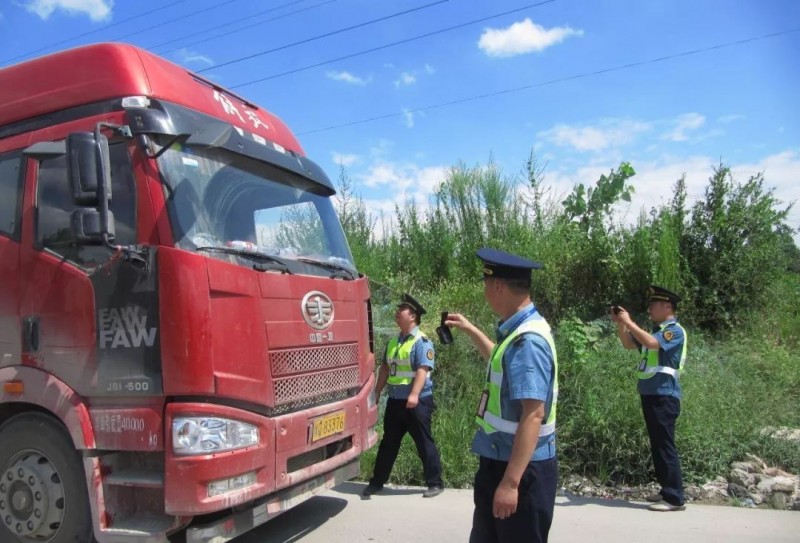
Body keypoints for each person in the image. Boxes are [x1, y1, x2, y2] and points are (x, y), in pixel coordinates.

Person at [445, 248, 558, 543]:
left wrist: (510, 483)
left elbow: (533, 413)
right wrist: (470, 329)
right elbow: (497, 358)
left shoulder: (527, 341)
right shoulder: (516, 332)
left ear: (497, 286)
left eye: (486, 286)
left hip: (519, 469)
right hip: (502, 459)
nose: (485, 292)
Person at [611, 285, 687, 512]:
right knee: (657, 445)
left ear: (668, 306)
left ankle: (674, 498)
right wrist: (622, 324)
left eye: (654, 304)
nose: (650, 308)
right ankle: (667, 491)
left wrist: (631, 322)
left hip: (664, 396)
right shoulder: (654, 332)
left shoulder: (673, 331)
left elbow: (652, 344)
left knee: (664, 446)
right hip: (651, 394)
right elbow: (627, 344)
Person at [362, 294, 445, 499]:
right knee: (388, 443)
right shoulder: (393, 342)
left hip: (416, 402)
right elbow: (384, 368)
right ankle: (376, 482)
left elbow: (422, 370)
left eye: (403, 309)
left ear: (413, 316)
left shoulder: (421, 341)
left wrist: (415, 395)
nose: (397, 312)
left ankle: (435, 483)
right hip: (395, 401)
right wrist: (378, 390)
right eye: (398, 308)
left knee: (424, 442)